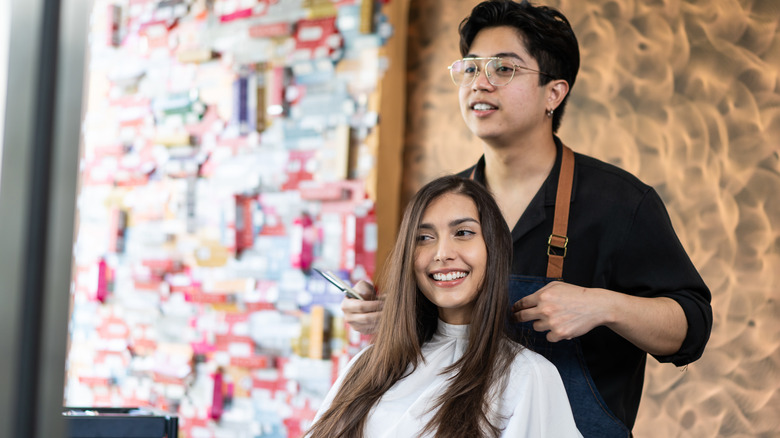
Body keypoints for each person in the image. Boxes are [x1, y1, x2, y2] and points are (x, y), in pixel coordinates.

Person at [342, 1, 713, 436]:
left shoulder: (619, 202)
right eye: (470, 68)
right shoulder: (442, 208)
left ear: (554, 94)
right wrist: (392, 312)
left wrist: (602, 306)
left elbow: (691, 329)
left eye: (503, 69)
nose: (479, 83)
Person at [308, 175, 582, 437]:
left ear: (494, 249)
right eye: (424, 238)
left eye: (463, 232)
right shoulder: (369, 365)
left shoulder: (527, 376)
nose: (442, 254)